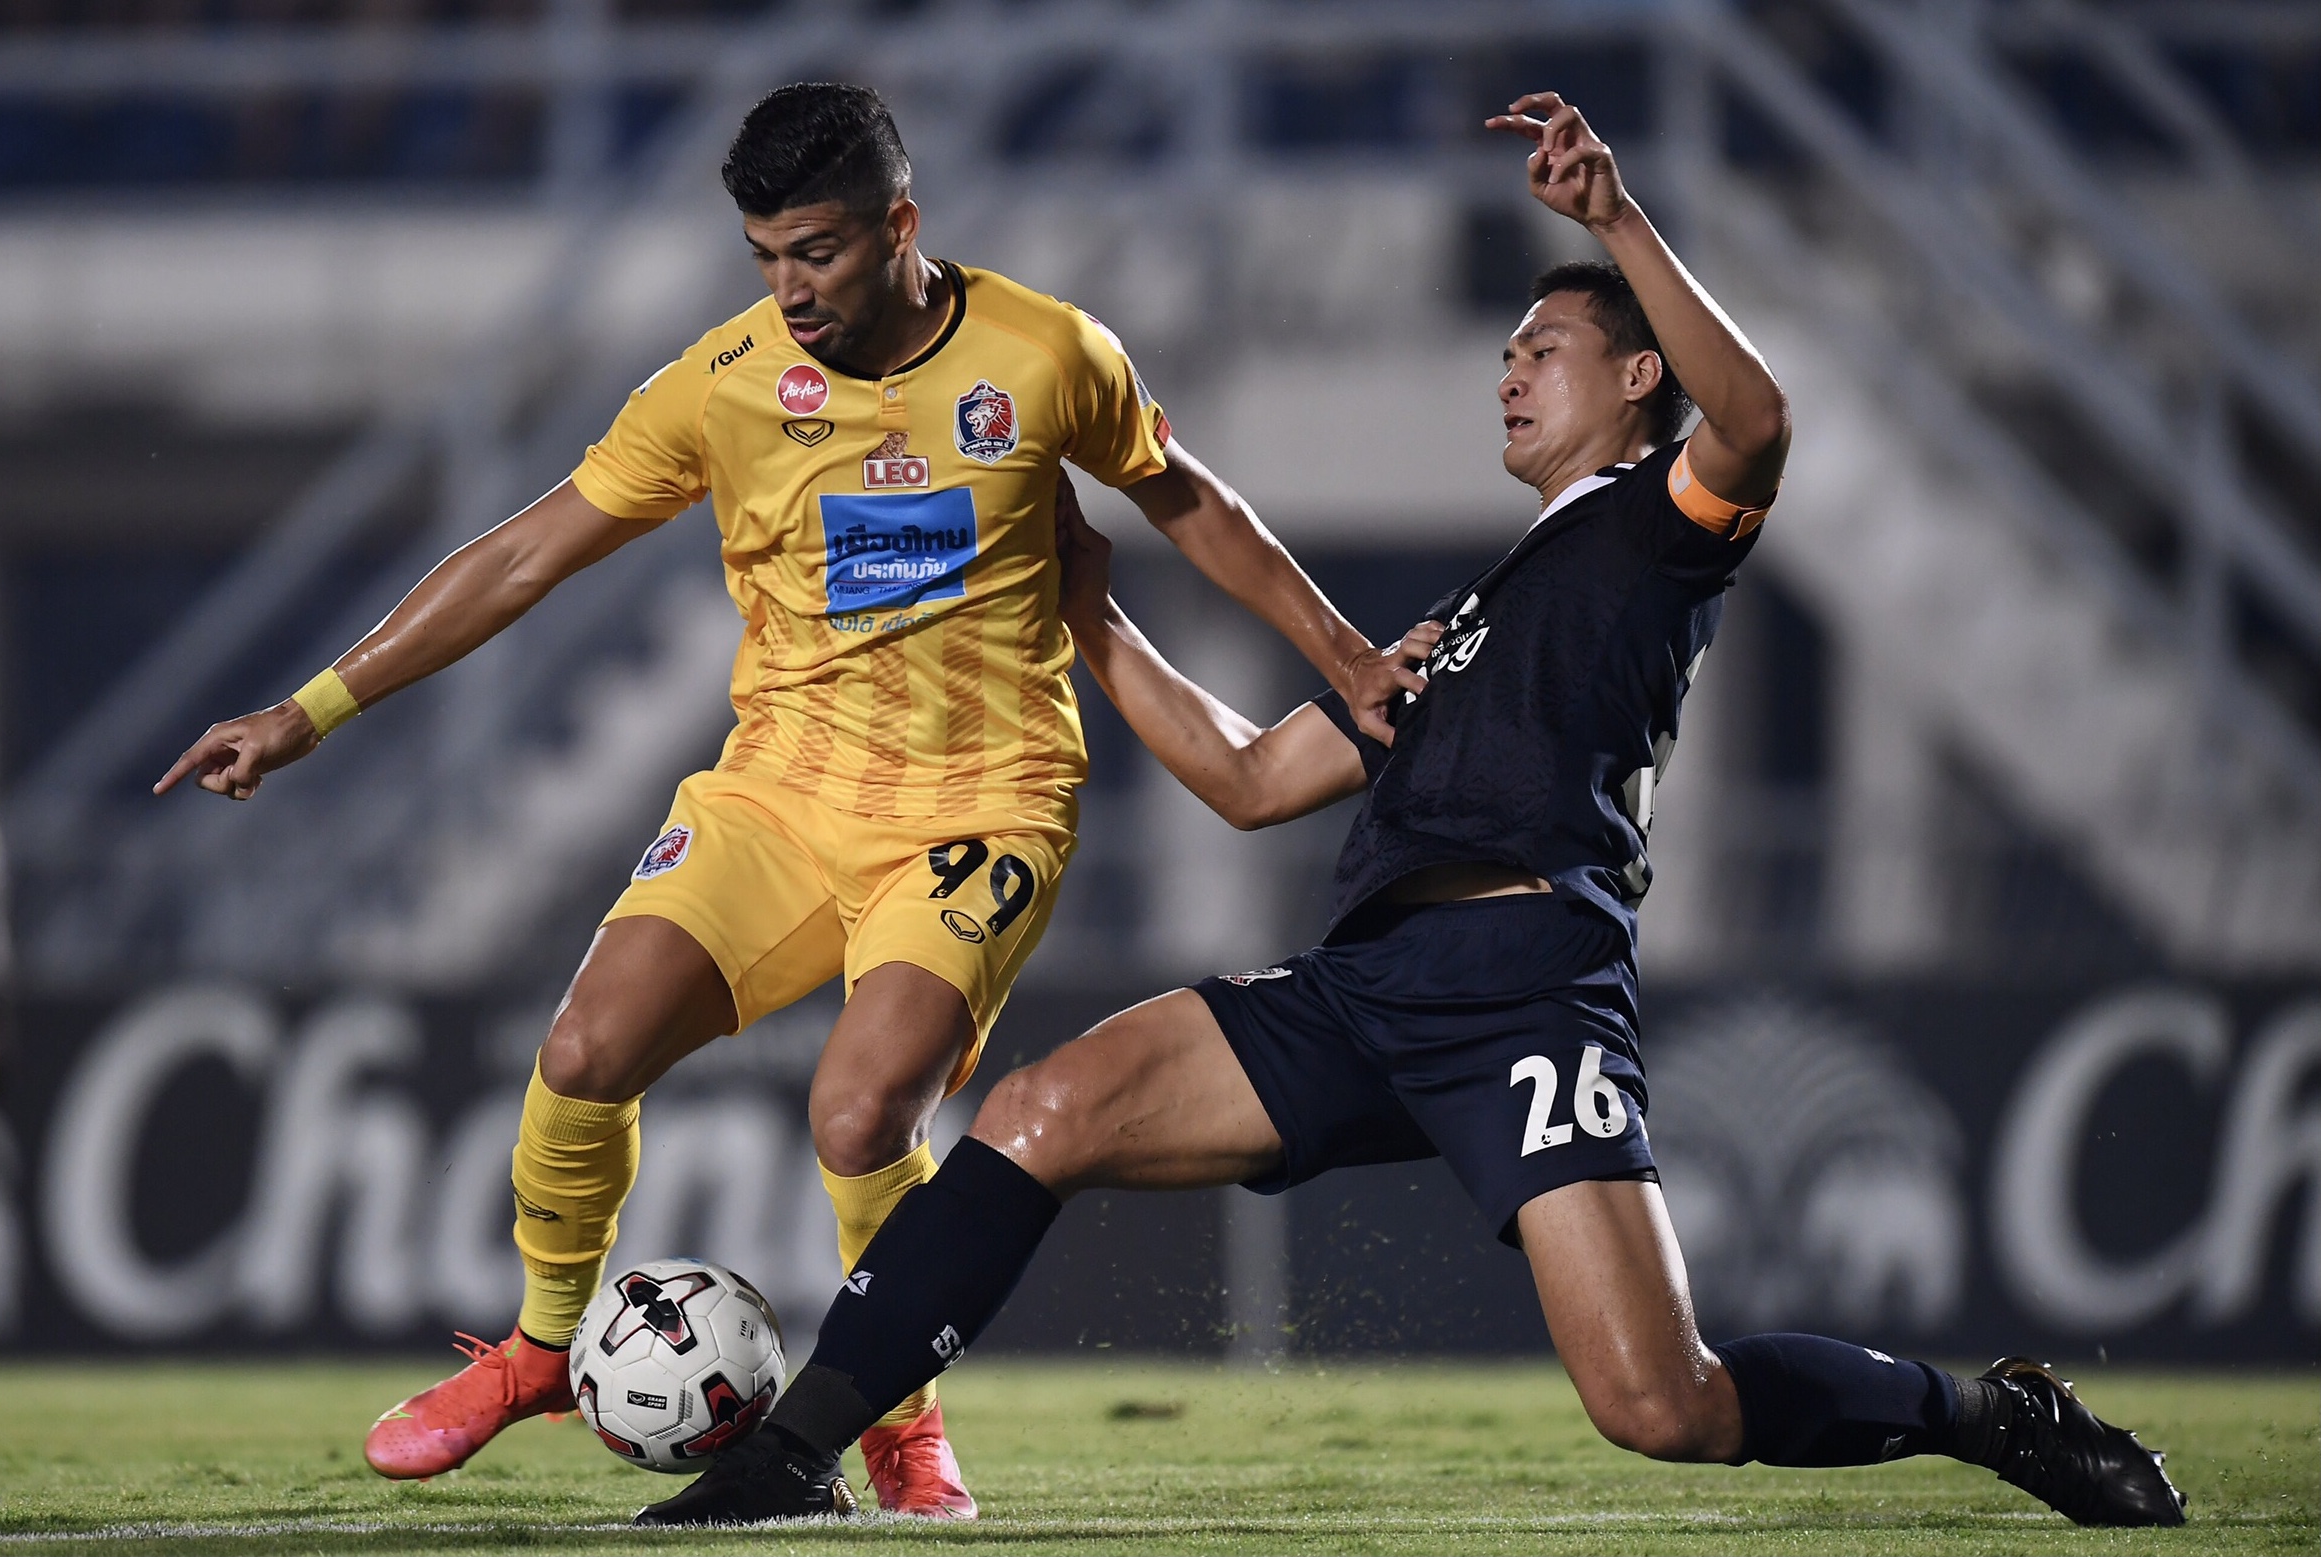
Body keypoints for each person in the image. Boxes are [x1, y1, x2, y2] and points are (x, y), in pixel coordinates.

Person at [627, 93, 2187, 1529]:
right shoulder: (1475, 613)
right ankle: (792, 1456)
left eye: (1543, 345)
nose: (1508, 368)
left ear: (1638, 378)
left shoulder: (1659, 530)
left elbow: (1761, 422)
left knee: (1664, 1403)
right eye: (1505, 347)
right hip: (1369, 988)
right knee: (1041, 1112)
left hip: (1528, 990)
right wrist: (1090, 613)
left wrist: (1614, 222)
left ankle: (1985, 1411)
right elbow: (1249, 779)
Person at [155, 82, 1400, 1517]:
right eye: (763, 254)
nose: (788, 288)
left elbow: (1192, 506)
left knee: (861, 1110)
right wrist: (309, 711)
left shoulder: (1048, 354)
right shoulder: (725, 383)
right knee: (581, 1049)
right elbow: (522, 556)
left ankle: (890, 1418)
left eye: (816, 250)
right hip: (781, 793)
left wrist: (1348, 657)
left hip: (982, 802)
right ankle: (545, 1347)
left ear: (900, 224)